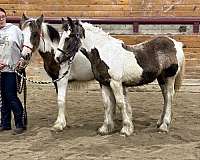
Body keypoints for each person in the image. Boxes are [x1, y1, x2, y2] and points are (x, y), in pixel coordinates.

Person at [0, 8, 26, 134]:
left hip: (11, 70)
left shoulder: (15, 30)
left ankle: (20, 124)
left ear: (5, 17)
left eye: (2, 16)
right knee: (3, 97)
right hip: (0, 71)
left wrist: (22, 62)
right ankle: (5, 124)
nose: (0, 19)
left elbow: (25, 46)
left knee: (11, 96)